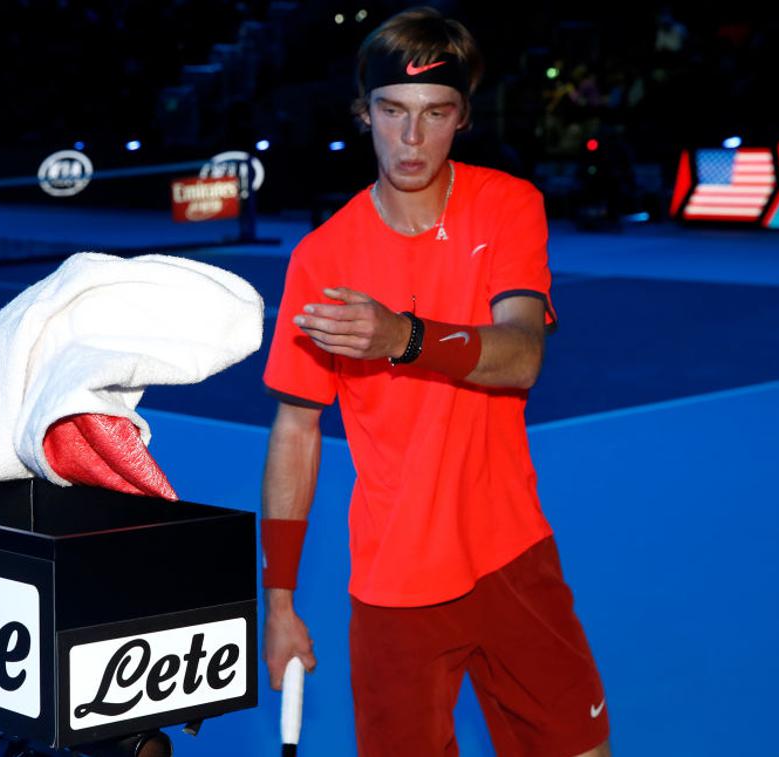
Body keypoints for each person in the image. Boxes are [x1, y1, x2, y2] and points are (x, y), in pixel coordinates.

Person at [258, 7, 611, 756]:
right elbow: (296, 430)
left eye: (434, 113)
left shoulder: (508, 205)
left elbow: (521, 356)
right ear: (365, 113)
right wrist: (280, 599)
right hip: (394, 584)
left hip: (513, 556)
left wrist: (402, 336)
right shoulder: (322, 259)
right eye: (392, 112)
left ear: (462, 118)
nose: (411, 139)